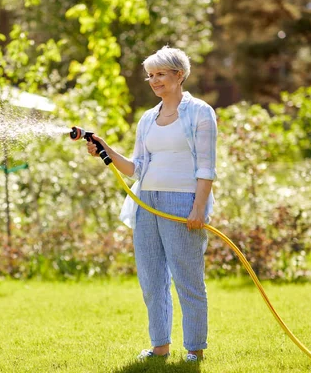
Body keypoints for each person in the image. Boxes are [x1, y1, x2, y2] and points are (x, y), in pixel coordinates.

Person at [86, 45, 217, 362]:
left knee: (187, 280)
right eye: (151, 76)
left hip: (182, 201)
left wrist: (198, 208)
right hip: (146, 202)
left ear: (179, 75)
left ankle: (195, 350)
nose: (155, 80)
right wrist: (105, 149)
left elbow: (206, 167)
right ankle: (160, 347)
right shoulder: (147, 118)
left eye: (161, 74)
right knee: (151, 279)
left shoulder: (200, 112)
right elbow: (137, 168)